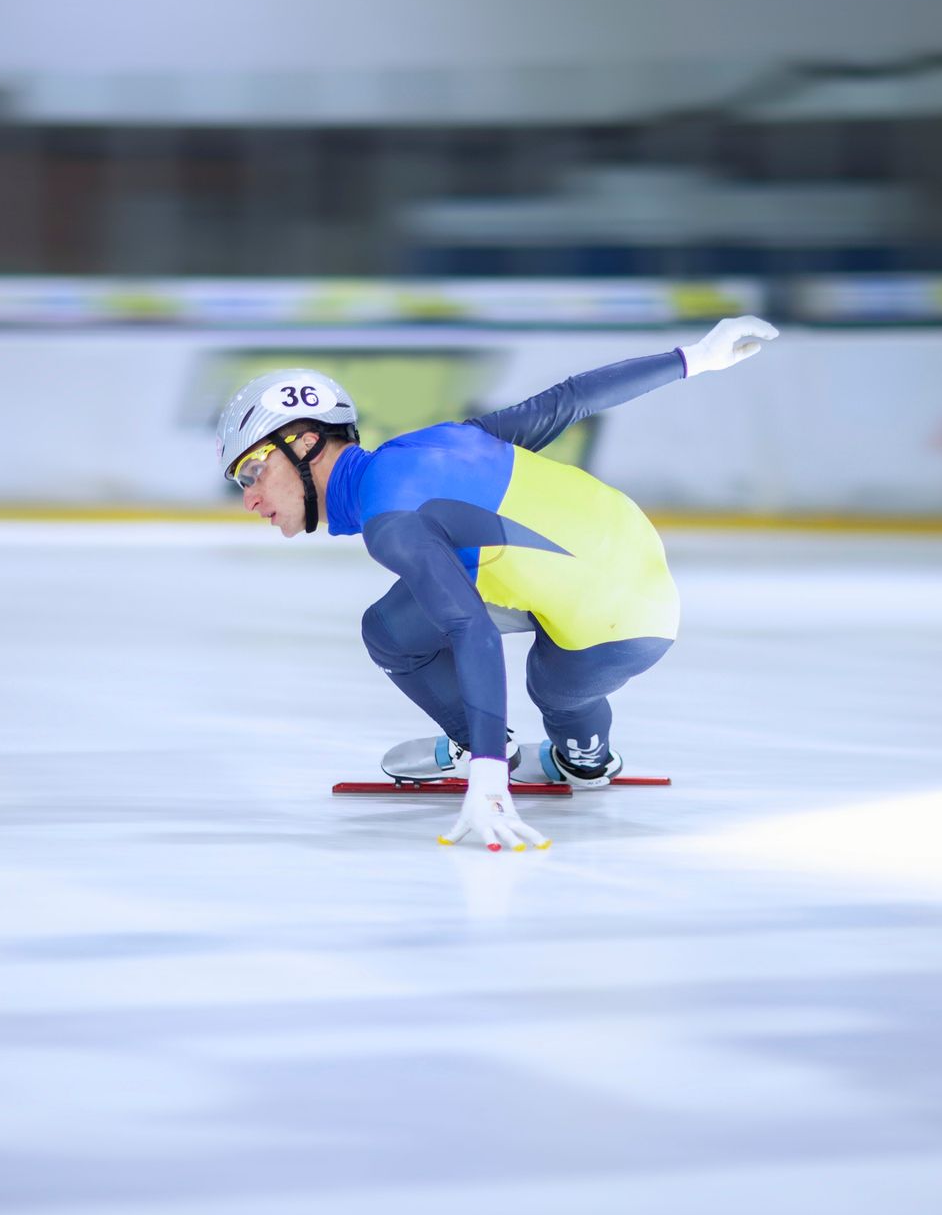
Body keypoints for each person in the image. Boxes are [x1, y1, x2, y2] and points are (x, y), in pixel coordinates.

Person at [216, 315, 778, 853]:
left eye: (252, 471)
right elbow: (569, 400)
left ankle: (583, 758)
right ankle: (508, 743)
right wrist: (697, 358)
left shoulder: (392, 522)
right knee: (389, 629)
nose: (250, 498)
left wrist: (488, 778)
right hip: (622, 549)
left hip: (625, 616)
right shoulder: (429, 443)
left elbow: (470, 629)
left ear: (307, 442)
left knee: (553, 688)